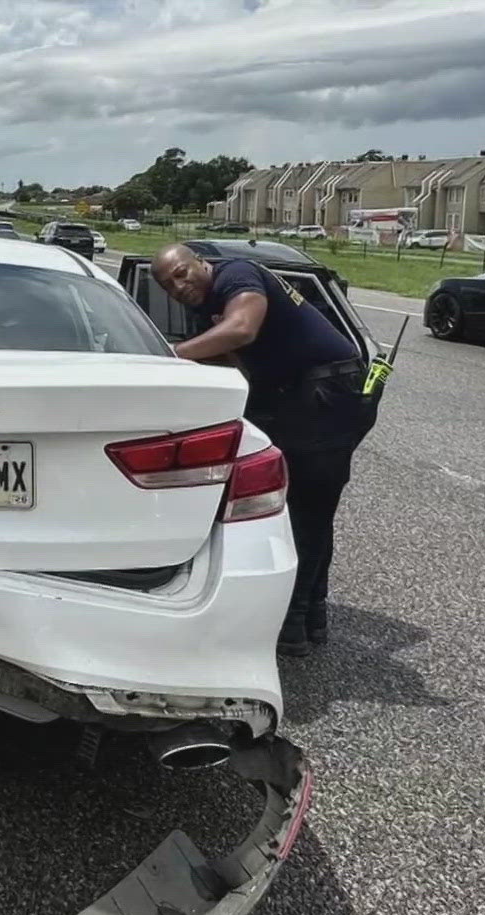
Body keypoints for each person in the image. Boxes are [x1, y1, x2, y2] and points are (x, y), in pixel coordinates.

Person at [150, 243, 377, 656]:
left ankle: (293, 624)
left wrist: (168, 356)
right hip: (302, 397)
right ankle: (311, 617)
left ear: (202, 263)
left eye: (182, 273)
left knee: (306, 509)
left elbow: (242, 330)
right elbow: (239, 364)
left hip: (328, 393)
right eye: (168, 285)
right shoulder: (208, 306)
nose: (178, 286)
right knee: (308, 506)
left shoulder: (236, 274)